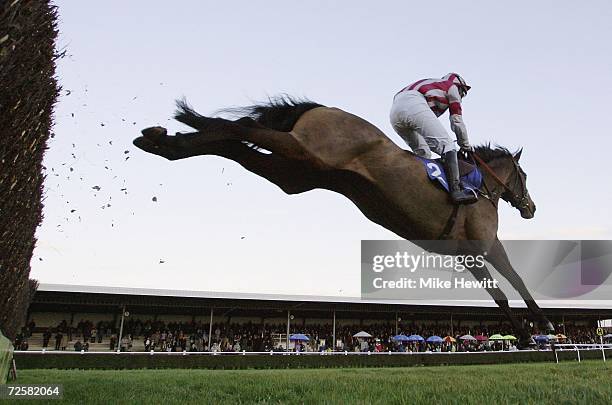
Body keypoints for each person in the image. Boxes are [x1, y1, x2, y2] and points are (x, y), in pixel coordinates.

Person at [390, 73, 477, 204]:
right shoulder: (452, 87)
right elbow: (456, 120)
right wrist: (465, 145)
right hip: (414, 103)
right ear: (459, 86)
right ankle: (456, 192)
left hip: (395, 111)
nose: (461, 96)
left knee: (423, 153)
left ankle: (417, 187)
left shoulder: (434, 84)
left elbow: (429, 136)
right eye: (462, 93)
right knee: (448, 145)